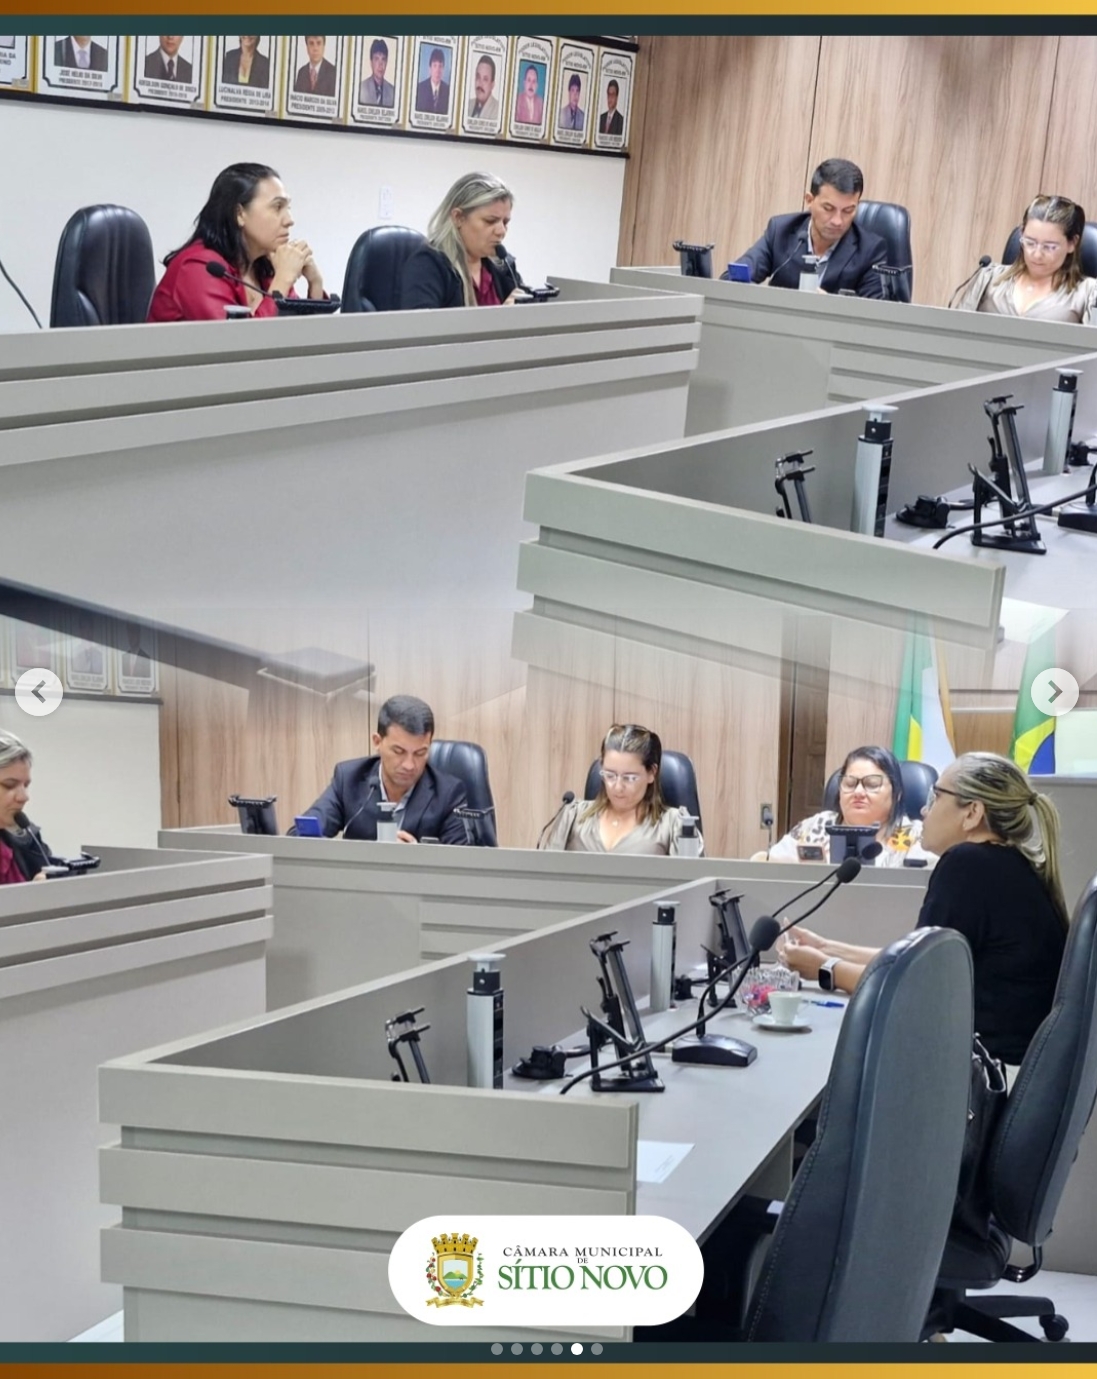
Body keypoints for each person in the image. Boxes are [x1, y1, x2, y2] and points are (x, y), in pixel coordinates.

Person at [779, 752, 1068, 1069]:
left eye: (936, 797)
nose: (924, 810)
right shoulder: (1006, 864)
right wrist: (827, 948)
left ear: (972, 813)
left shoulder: (968, 865)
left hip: (979, 1077)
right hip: (1002, 1069)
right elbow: (911, 963)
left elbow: (912, 986)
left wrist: (826, 969)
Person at [148, 162, 326, 323]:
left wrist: (315, 284)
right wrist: (283, 279)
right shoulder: (199, 268)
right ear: (239, 214)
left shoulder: (266, 264)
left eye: (288, 208)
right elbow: (240, 343)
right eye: (277, 207)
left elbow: (303, 336)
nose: (289, 220)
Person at [292, 695, 469, 844]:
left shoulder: (449, 794)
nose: (409, 765)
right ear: (377, 742)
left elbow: (462, 865)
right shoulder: (349, 779)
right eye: (398, 751)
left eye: (420, 753)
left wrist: (416, 857)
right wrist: (373, 854)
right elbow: (299, 837)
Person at [728, 157, 887, 299]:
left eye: (848, 211)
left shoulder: (870, 250)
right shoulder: (781, 230)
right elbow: (732, 280)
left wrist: (832, 306)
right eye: (828, 208)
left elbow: (875, 314)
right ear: (809, 200)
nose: (838, 221)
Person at [537, 724, 703, 856]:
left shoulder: (675, 825)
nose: (617, 787)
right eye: (610, 775)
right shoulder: (573, 816)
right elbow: (545, 877)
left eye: (629, 778)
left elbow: (694, 884)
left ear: (651, 773)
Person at [766, 744, 932, 867]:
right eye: (850, 784)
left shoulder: (917, 836)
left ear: (897, 793)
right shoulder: (815, 826)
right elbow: (770, 866)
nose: (858, 792)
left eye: (872, 784)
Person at [951, 194, 1097, 324]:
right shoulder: (989, 278)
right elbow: (955, 332)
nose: (1037, 254)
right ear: (1022, 234)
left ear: (1072, 243)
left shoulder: (1088, 293)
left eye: (1049, 247)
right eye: (1030, 242)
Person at [399, 172, 522, 310]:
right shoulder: (428, 265)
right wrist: (501, 318)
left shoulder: (504, 266)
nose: (501, 231)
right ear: (458, 217)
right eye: (490, 221)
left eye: (505, 222)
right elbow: (422, 323)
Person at [0, 731, 53, 883]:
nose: (23, 797)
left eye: (26, 785)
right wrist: (30, 895)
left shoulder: (28, 839)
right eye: (9, 785)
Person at [359, 38, 395, 106]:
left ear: (386, 62)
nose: (380, 65)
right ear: (371, 62)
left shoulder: (393, 92)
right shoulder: (361, 89)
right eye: (376, 59)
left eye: (383, 59)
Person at [415, 47, 449, 115]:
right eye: (435, 66)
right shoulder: (419, 89)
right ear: (430, 68)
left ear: (443, 69)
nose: (437, 70)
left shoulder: (448, 90)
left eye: (440, 66)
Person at [467, 54, 499, 121]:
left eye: (485, 79)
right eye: (478, 77)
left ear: (492, 85)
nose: (480, 83)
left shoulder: (498, 111)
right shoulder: (467, 104)